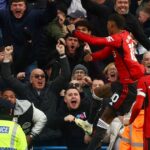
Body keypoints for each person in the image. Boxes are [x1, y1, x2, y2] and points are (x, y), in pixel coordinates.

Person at [72, 13, 146, 150]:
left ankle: (92, 144)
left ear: (112, 25)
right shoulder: (125, 35)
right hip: (125, 82)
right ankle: (89, 123)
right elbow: (106, 51)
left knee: (104, 119)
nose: (107, 27)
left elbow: (95, 41)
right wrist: (92, 57)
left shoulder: (117, 38)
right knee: (97, 92)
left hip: (128, 86)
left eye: (107, 25)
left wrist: (74, 31)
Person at [1, 44, 71, 146]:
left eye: (42, 76)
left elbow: (66, 75)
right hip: (30, 138)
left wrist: (62, 54)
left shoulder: (52, 88)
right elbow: (7, 77)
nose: (40, 78)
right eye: (36, 76)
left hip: (52, 137)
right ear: (30, 79)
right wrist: (7, 57)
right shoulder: (24, 89)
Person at [0, 0, 57, 75]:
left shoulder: (34, 15)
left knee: (32, 82)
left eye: (20, 5)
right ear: (10, 7)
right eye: (15, 5)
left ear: (25, 7)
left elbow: (49, 16)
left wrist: (51, 3)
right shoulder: (4, 15)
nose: (17, 7)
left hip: (29, 60)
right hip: (10, 59)